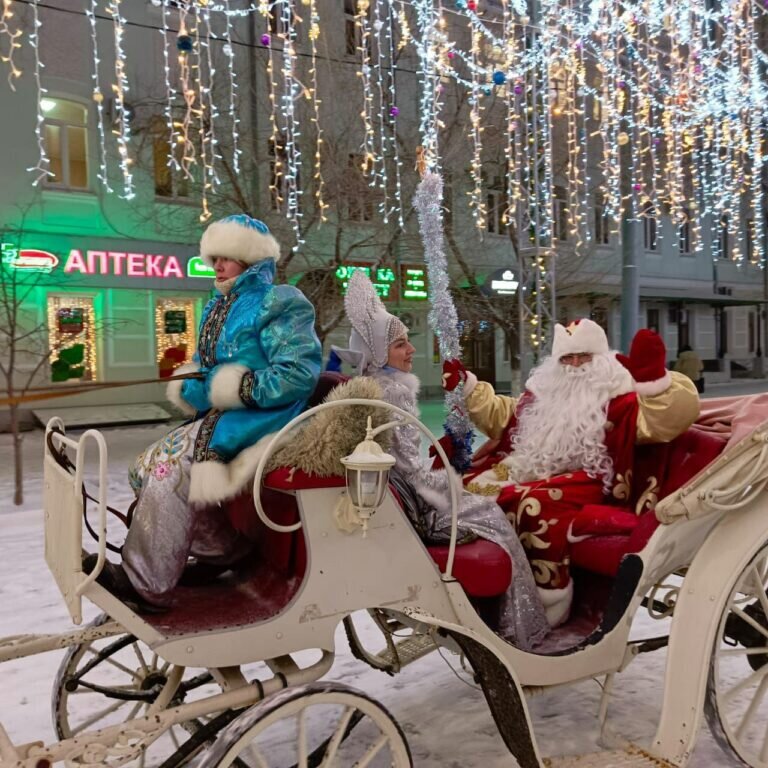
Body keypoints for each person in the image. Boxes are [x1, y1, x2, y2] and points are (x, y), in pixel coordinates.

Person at [91, 214, 322, 611]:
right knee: (144, 466)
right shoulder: (218, 304)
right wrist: (193, 384)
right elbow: (205, 364)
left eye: (226, 257)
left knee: (171, 469)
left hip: (268, 415)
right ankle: (225, 552)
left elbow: (299, 373)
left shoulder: (279, 301)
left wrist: (235, 387)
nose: (216, 265)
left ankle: (146, 582)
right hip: (225, 415)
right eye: (213, 256)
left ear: (249, 259)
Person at [333, 271, 550, 649]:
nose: (411, 350)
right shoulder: (392, 394)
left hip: (399, 497)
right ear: (380, 352)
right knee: (493, 515)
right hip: (416, 506)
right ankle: (521, 629)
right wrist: (448, 482)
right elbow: (409, 471)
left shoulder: (371, 388)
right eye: (401, 344)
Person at [442, 320, 700, 625]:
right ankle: (486, 586)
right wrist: (469, 389)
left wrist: (655, 385)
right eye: (567, 358)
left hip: (596, 476)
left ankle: (551, 598)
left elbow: (665, 422)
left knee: (532, 504)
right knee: (467, 486)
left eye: (584, 357)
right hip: (537, 470)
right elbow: (507, 416)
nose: (575, 365)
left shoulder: (621, 398)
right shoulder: (543, 394)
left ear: (601, 358)